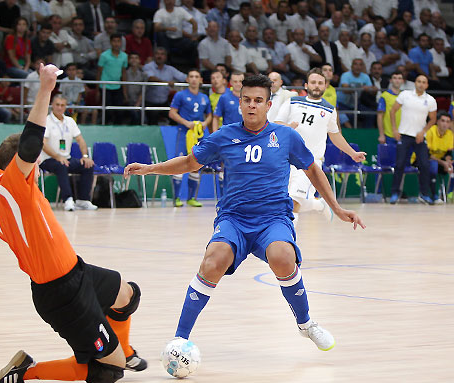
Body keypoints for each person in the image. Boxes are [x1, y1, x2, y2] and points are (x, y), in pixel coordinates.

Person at [0, 64, 147, 383]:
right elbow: (29, 144)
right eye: (35, 165)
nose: (37, 169)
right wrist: (45, 88)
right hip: (61, 293)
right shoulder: (15, 183)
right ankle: (25, 372)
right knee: (106, 371)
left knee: (128, 295)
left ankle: (123, 351)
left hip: (76, 271)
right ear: (20, 166)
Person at [125, 74, 365, 353]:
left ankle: (306, 324)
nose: (252, 105)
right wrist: (150, 169)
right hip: (234, 219)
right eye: (247, 100)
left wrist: (337, 208)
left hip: (273, 219)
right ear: (239, 103)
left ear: (268, 105)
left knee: (283, 256)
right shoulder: (224, 136)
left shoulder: (286, 136)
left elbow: (312, 169)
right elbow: (190, 162)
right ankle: (180, 339)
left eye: (258, 100)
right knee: (213, 261)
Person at [275, 68, 366, 225]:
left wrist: (352, 153)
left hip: (310, 163)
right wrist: (289, 127)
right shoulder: (293, 102)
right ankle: (319, 205)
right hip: (286, 159)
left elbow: (335, 135)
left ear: (325, 86)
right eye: (313, 82)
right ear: (306, 85)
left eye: (320, 83)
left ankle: (287, 237)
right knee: (284, 201)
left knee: (293, 202)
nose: (316, 86)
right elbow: (277, 123)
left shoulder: (329, 109)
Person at [39, 94, 98, 211]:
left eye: (62, 105)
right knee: (61, 165)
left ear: (66, 106)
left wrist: (85, 156)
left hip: (66, 158)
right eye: (57, 105)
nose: (60, 107)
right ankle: (68, 199)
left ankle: (83, 200)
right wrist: (57, 156)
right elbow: (43, 143)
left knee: (87, 165)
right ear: (52, 105)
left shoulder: (70, 121)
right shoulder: (46, 121)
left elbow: (80, 140)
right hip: (48, 160)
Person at [389, 74, 437, 205]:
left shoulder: (430, 100)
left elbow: (433, 119)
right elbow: (392, 111)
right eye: (419, 81)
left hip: (420, 137)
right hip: (404, 135)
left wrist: (423, 131)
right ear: (415, 83)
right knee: (399, 164)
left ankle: (424, 194)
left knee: (425, 165)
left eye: (424, 82)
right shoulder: (405, 95)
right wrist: (395, 130)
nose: (421, 84)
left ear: (427, 85)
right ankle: (395, 193)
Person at [168, 69, 212, 207]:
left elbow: (210, 115)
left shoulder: (204, 97)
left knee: (196, 163)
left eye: (196, 77)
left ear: (201, 80)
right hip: (184, 133)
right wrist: (186, 123)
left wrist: (205, 123)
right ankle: (176, 198)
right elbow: (172, 113)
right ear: (187, 79)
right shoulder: (180, 95)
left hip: (198, 135)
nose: (194, 79)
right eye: (191, 76)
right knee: (180, 162)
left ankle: (191, 198)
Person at [411, 111, 453, 203]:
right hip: (419, 159)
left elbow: (448, 153)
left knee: (446, 165)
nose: (445, 124)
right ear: (437, 122)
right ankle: (433, 195)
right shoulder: (430, 131)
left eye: (447, 121)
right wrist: (443, 163)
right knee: (433, 165)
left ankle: (448, 194)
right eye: (443, 121)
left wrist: (448, 162)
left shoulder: (450, 134)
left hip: (438, 161)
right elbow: (427, 154)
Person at [96, 33, 127, 125]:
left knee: (119, 111)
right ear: (110, 42)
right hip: (105, 87)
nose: (116, 44)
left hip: (118, 87)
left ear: (121, 43)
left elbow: (124, 74)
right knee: (107, 112)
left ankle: (118, 129)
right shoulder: (104, 55)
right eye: (114, 41)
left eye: (118, 41)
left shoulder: (124, 56)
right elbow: (99, 72)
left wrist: (125, 91)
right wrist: (97, 90)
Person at [377, 71, 404, 146]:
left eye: (399, 78)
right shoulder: (384, 96)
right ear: (391, 80)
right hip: (388, 135)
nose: (397, 80)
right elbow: (380, 116)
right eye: (395, 78)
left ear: (402, 81)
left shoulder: (405, 96)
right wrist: (381, 135)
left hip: (403, 135)